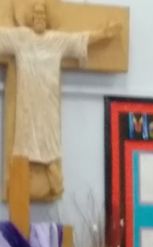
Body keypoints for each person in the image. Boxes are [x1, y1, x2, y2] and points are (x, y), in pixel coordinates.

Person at [0, 0, 120, 199]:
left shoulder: (56, 40)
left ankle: (54, 182)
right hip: (27, 105)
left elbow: (81, 39)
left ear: (47, 20)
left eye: (42, 15)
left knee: (50, 145)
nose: (39, 18)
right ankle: (17, 189)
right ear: (30, 19)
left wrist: (104, 34)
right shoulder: (21, 37)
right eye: (36, 15)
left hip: (48, 103)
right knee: (22, 145)